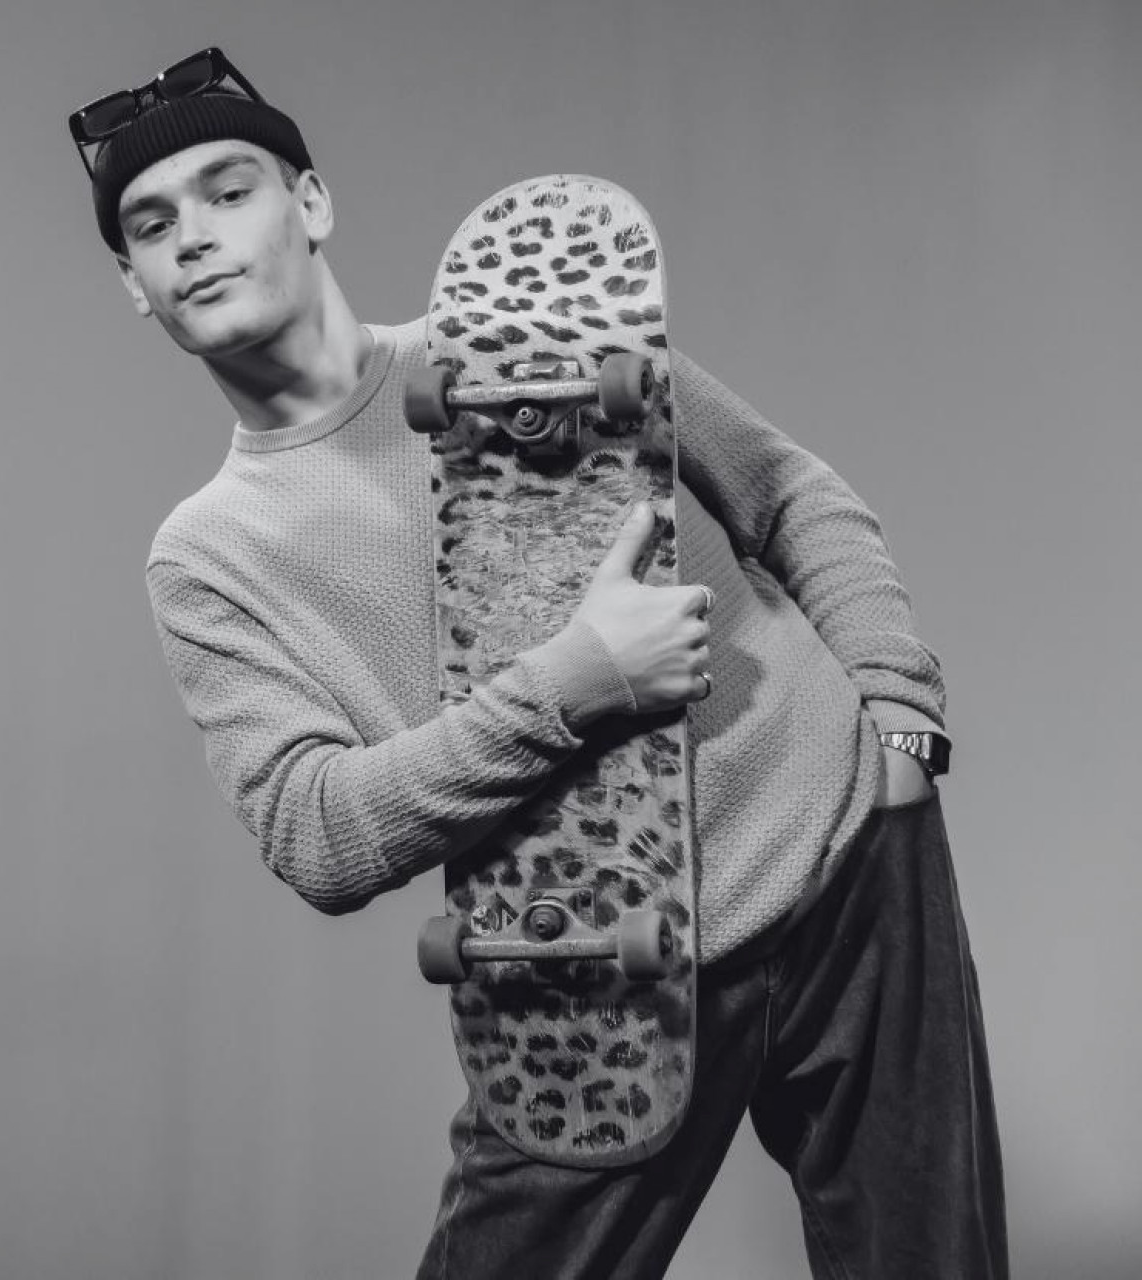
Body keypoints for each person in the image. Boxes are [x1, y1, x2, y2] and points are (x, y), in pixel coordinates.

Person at [70, 47, 1008, 1279]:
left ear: (310, 203)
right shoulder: (210, 553)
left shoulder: (534, 332)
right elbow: (313, 832)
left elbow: (786, 491)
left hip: (853, 868)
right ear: (135, 285)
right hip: (590, 966)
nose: (192, 236)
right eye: (151, 225)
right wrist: (576, 685)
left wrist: (897, 716)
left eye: (227, 191)